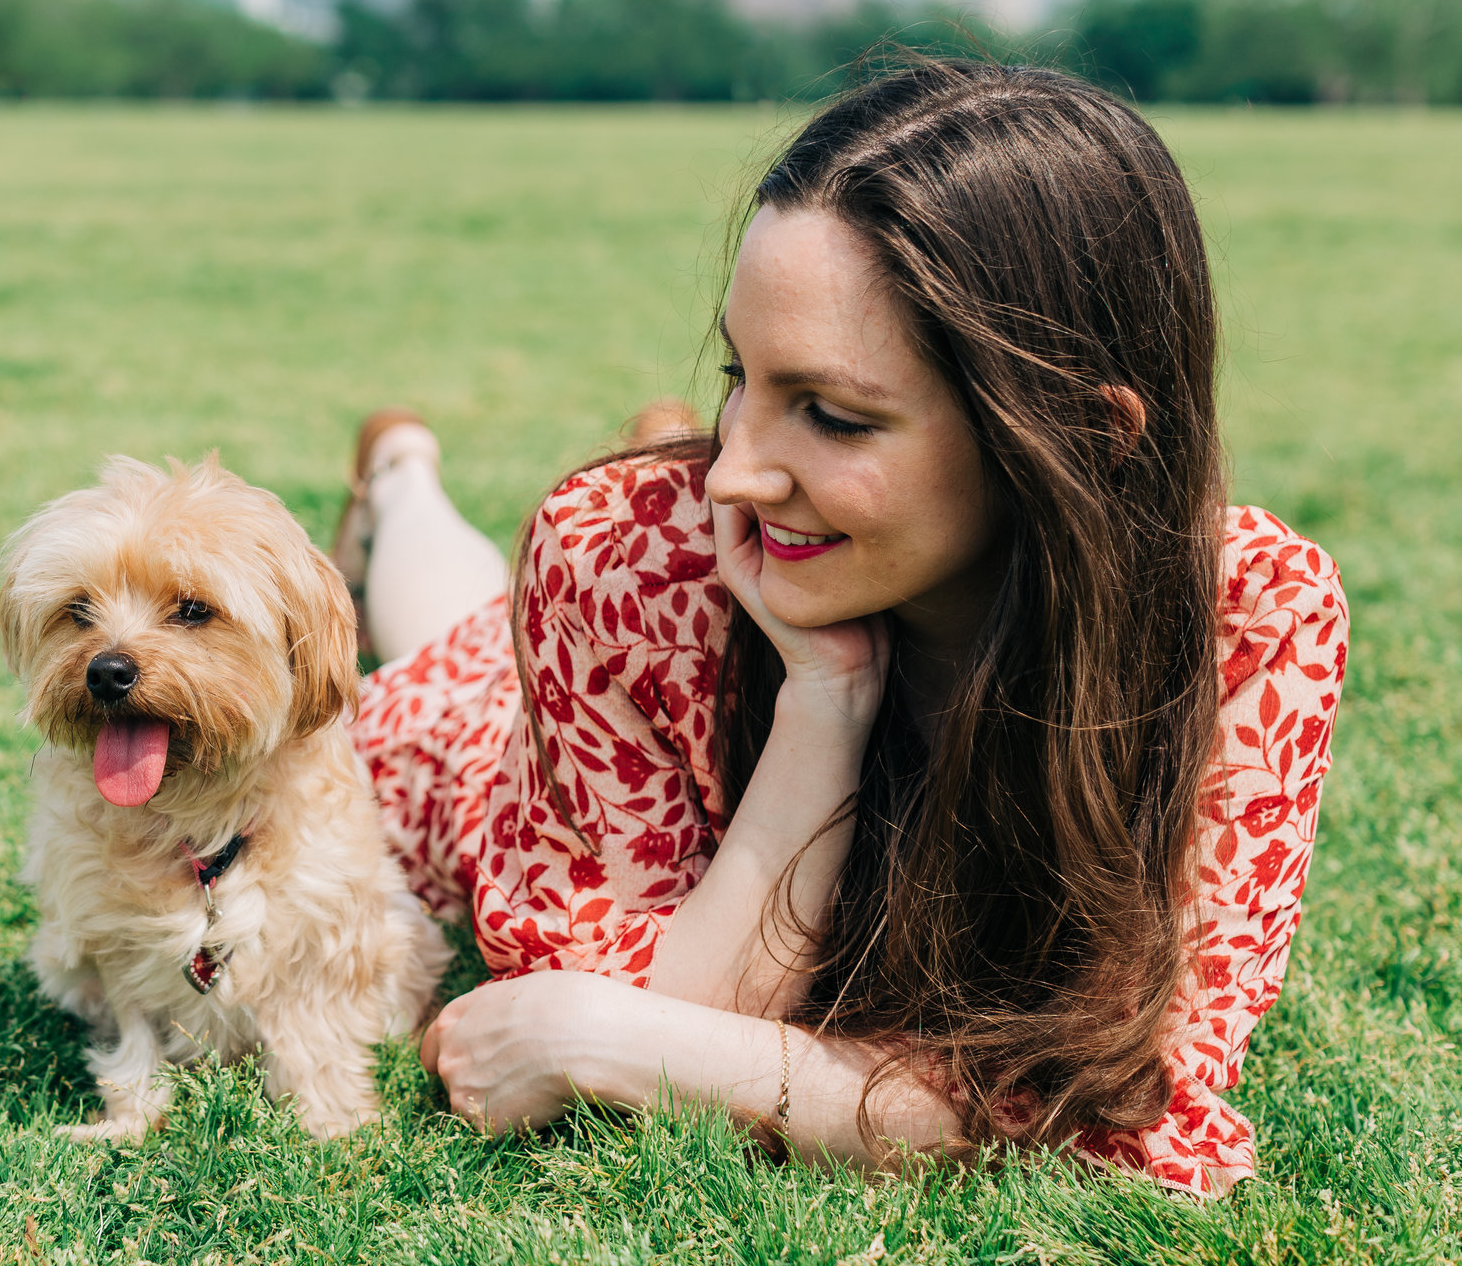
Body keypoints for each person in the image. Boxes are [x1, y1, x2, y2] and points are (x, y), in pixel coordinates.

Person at [334, 60, 1346, 1197]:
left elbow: (1133, 1111)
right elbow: (615, 1043)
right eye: (739, 377)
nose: (739, 469)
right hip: (498, 740)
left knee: (502, 606)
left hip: (671, 629)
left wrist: (626, 1041)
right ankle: (400, 479)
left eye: (831, 412)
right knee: (447, 654)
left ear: (1079, 437)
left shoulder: (1244, 614)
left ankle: (406, 485)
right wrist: (824, 703)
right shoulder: (616, 546)